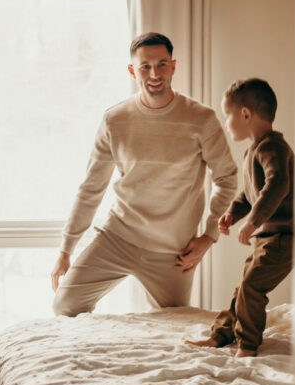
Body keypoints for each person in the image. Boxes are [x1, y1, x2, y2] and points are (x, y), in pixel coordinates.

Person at [51, 32, 238, 314]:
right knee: (65, 305)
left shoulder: (201, 119)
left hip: (173, 252)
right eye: (145, 66)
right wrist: (66, 250)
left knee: (176, 323)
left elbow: (226, 179)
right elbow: (91, 188)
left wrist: (208, 236)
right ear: (132, 71)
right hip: (118, 238)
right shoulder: (115, 120)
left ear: (173, 66)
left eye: (162, 64)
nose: (154, 73)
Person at [185, 78, 294, 357]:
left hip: (282, 238)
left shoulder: (273, 148)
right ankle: (220, 335)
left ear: (245, 114)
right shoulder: (252, 152)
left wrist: (253, 221)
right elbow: (249, 195)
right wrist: (232, 214)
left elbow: (278, 184)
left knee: (252, 288)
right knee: (242, 288)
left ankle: (247, 345)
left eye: (227, 115)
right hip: (267, 238)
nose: (226, 123)